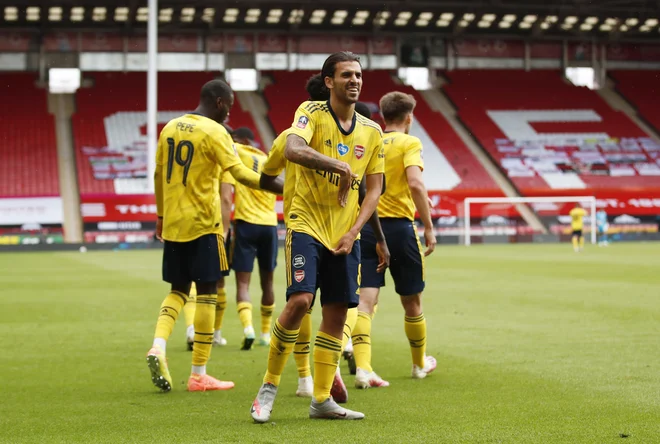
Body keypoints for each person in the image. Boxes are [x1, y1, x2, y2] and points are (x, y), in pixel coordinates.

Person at [250, 51, 384, 422]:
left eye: (358, 74)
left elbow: (374, 190)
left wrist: (355, 231)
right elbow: (292, 148)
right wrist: (336, 164)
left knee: (337, 313)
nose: (354, 80)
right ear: (329, 81)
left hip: (345, 234)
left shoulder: (372, 133)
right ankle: (269, 387)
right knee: (300, 301)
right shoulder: (311, 112)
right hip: (305, 223)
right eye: (346, 75)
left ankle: (321, 399)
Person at [146, 79, 279, 393]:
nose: (229, 115)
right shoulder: (215, 131)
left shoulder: (170, 127)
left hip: (175, 223)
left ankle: (157, 345)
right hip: (204, 225)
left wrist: (161, 215)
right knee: (206, 293)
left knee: (178, 290)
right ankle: (198, 374)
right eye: (229, 108)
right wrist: (284, 187)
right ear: (220, 103)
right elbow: (240, 174)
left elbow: (158, 174)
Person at [352, 91, 438, 389]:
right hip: (400, 230)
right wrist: (428, 226)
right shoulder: (409, 142)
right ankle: (418, 364)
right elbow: (415, 182)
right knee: (411, 299)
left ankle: (363, 369)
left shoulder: (370, 139)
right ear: (409, 118)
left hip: (366, 228)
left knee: (365, 300)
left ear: (384, 116)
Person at [222, 127, 278, 350]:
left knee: (243, 283)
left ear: (243, 140)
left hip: (246, 224)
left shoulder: (236, 151)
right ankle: (266, 333)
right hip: (270, 226)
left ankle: (248, 329)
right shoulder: (267, 159)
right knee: (268, 282)